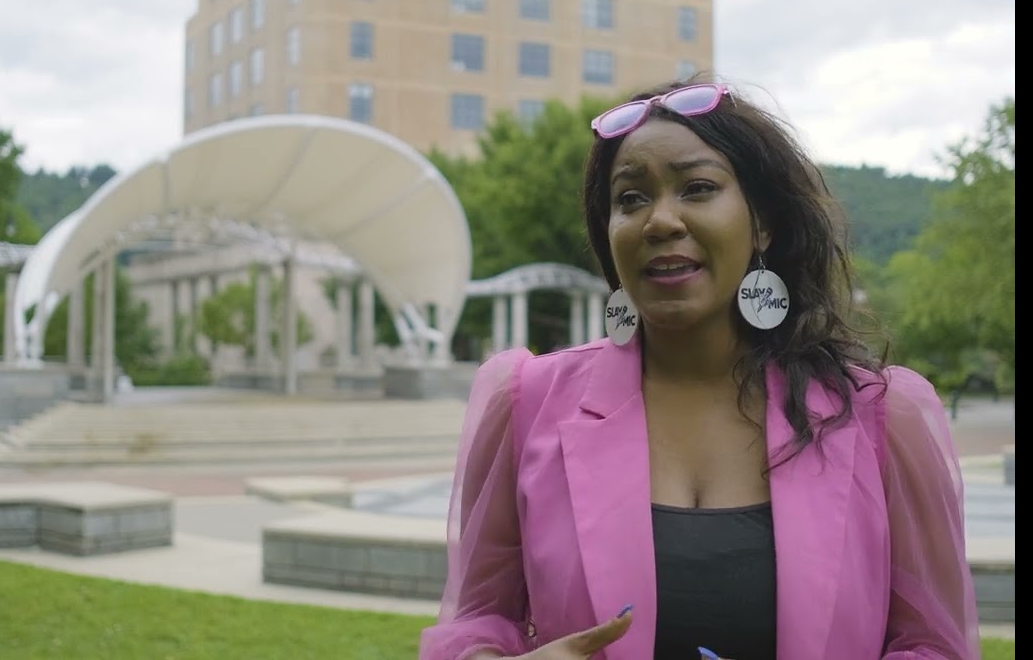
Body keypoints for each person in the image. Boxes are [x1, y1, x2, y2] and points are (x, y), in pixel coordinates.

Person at [417, 76, 981, 660]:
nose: (660, 221)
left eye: (698, 188)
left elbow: (933, 644)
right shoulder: (526, 402)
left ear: (763, 222)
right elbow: (477, 619)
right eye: (630, 198)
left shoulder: (880, 416)